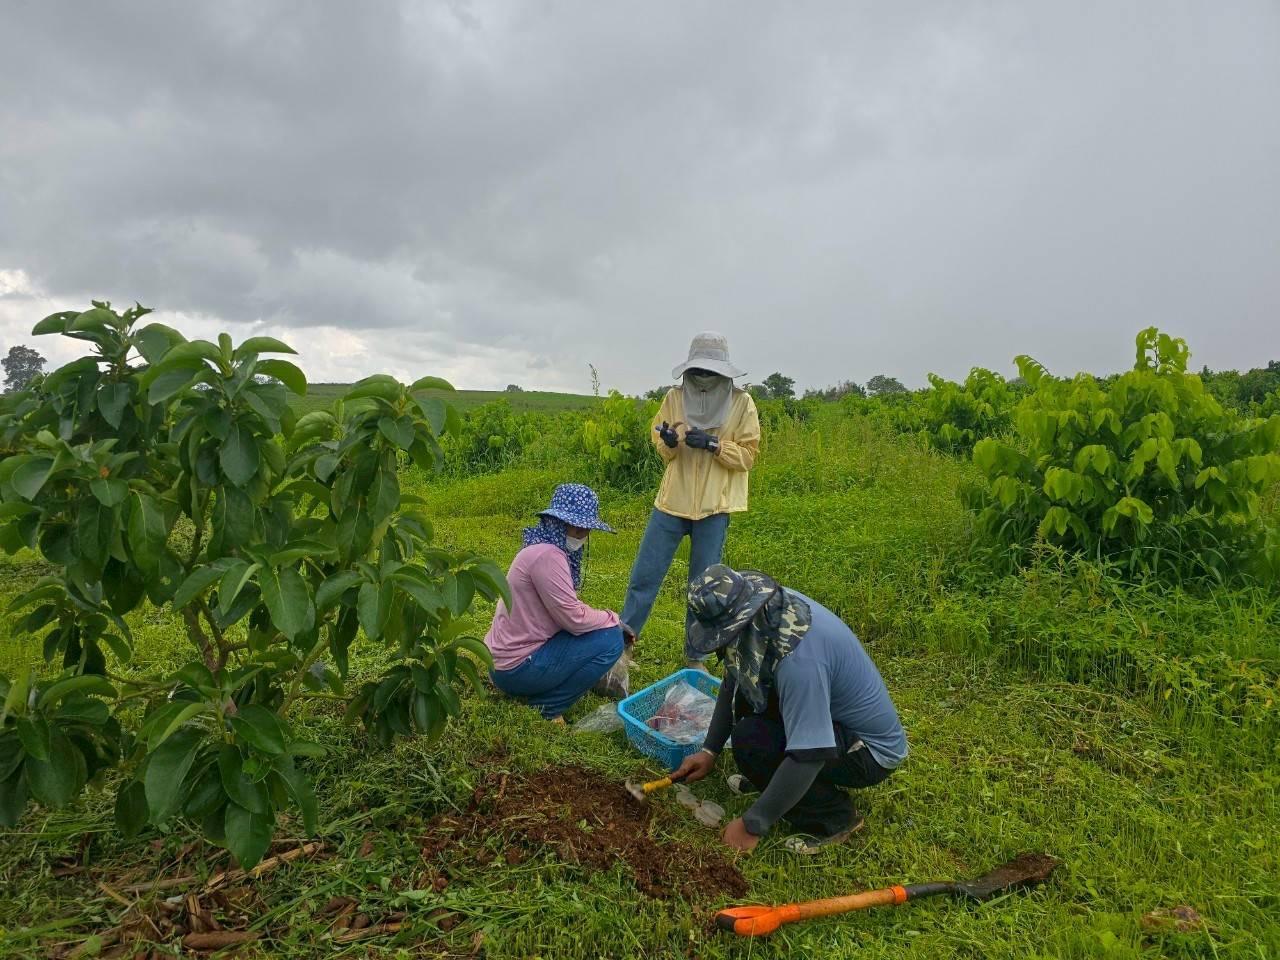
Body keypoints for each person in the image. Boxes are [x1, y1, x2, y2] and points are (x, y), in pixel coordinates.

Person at [670, 565, 908, 854]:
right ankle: (774, 783)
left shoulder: (798, 660)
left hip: (868, 751)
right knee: (747, 716)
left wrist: (753, 824)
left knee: (751, 740)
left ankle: (835, 817)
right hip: (832, 720)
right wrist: (709, 751)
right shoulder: (766, 613)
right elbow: (736, 677)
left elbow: (810, 754)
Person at [620, 332, 760, 669]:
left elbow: (748, 455)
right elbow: (663, 447)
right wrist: (669, 441)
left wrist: (713, 446)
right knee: (645, 575)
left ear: (724, 372)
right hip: (671, 502)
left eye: (711, 372)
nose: (704, 378)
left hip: (714, 507)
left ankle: (694, 657)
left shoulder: (742, 403)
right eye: (699, 370)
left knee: (704, 587)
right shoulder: (675, 397)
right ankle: (621, 647)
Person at [485, 484, 632, 723]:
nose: (584, 535)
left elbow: (565, 607)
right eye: (582, 529)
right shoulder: (548, 556)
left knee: (603, 631)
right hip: (515, 668)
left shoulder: (540, 548)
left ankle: (542, 685)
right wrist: (612, 618)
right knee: (611, 640)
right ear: (570, 526)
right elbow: (573, 619)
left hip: (503, 662)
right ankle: (548, 707)